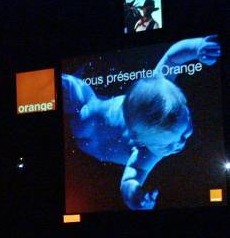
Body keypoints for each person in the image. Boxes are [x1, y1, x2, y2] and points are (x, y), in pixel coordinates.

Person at [62, 35, 220, 210]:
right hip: (89, 120)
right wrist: (197, 46)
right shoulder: (147, 150)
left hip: (94, 138)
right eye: (169, 144)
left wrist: (134, 195)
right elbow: (133, 175)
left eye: (185, 131)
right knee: (77, 96)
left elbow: (172, 58)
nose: (181, 143)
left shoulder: (160, 90)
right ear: (140, 141)